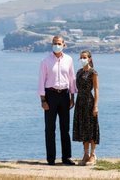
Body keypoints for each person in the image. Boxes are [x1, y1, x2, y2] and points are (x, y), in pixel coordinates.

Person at [38, 35, 77, 166]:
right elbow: (41, 81)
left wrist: (72, 97)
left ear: (64, 44)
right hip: (51, 95)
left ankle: (66, 157)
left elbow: (72, 79)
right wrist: (43, 100)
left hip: (65, 95)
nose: (57, 45)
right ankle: (51, 159)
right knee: (49, 128)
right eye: (54, 43)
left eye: (59, 43)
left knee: (65, 128)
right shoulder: (45, 61)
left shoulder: (69, 60)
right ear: (52, 45)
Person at [72, 50, 100, 166]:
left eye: (85, 57)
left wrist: (96, 106)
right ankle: (85, 154)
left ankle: (93, 155)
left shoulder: (93, 72)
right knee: (83, 128)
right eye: (81, 57)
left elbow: (97, 89)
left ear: (89, 59)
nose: (82, 59)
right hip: (80, 102)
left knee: (91, 128)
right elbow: (74, 87)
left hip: (89, 101)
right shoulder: (78, 72)